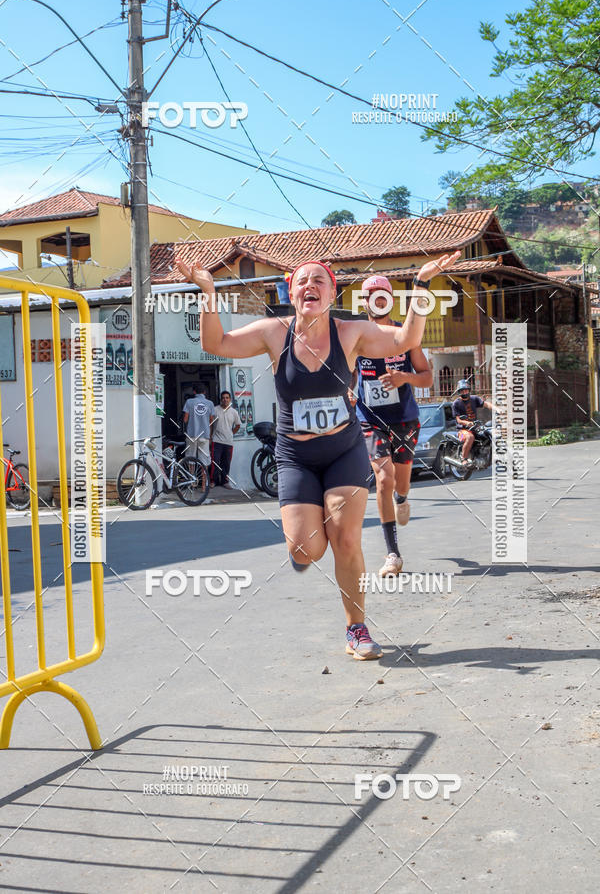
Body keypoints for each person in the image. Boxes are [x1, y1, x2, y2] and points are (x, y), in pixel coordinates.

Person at [175, 251, 461, 661]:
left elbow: (405, 341)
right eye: (302, 281)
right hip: (296, 457)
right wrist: (207, 291)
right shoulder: (274, 333)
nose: (310, 285)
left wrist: (421, 284)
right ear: (291, 293)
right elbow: (215, 343)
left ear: (331, 293)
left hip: (344, 451)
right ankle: (318, 524)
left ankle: (356, 629)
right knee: (305, 551)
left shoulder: (350, 333)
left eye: (319, 281)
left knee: (346, 537)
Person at [353, 275, 433, 577]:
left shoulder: (406, 334)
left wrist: (405, 378)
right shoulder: (356, 336)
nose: (375, 300)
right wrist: (348, 390)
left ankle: (402, 499)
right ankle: (392, 554)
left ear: (389, 299)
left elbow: (427, 376)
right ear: (364, 302)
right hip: (370, 420)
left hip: (404, 419)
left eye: (381, 295)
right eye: (369, 295)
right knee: (383, 480)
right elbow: (345, 372)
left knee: (400, 484)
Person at [452, 379, 495, 464]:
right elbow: (458, 420)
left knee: (487, 435)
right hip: (463, 430)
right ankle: (463, 458)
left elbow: (486, 404)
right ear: (459, 392)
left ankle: (482, 455)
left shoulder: (474, 399)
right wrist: (467, 422)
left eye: (466, 390)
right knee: (470, 437)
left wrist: (497, 409)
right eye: (462, 391)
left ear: (469, 390)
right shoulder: (456, 403)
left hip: (475, 427)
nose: (464, 392)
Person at [182, 383, 215, 469]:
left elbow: (185, 419)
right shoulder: (210, 403)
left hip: (191, 435)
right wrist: (210, 435)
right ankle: (205, 482)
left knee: (190, 458)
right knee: (204, 461)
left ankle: (192, 481)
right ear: (204, 392)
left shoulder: (189, 402)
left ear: (194, 392)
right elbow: (211, 421)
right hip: (204, 435)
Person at [211, 390, 240, 488]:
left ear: (230, 399)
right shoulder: (215, 410)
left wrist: (231, 433)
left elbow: (238, 425)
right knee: (215, 461)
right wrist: (210, 437)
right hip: (216, 441)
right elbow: (210, 424)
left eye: (227, 398)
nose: (225, 400)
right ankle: (213, 481)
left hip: (228, 442)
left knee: (226, 463)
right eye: (223, 398)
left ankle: (225, 481)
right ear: (220, 399)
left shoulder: (234, 412)